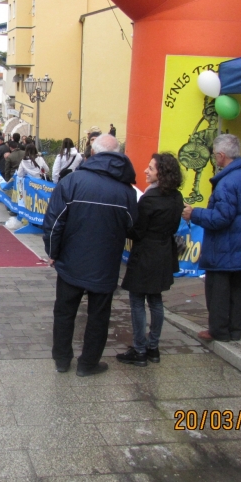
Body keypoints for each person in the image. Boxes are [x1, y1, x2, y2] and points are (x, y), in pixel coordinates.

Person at [42, 134, 137, 376]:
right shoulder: (126, 190)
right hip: (105, 264)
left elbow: (54, 223)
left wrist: (52, 253)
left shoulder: (72, 181)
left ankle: (62, 360)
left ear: (92, 153)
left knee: (64, 312)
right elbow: (132, 225)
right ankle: (88, 363)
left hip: (71, 262)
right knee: (99, 316)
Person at [182, 133, 241, 342]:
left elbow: (220, 218)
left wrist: (195, 213)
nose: (212, 158)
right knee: (237, 290)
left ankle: (219, 330)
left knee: (218, 291)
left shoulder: (227, 183)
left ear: (221, 156)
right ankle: (235, 329)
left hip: (225, 246)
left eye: (213, 155)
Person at [117, 152, 184, 367]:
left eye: (151, 168)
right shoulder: (177, 197)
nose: (146, 171)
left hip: (146, 253)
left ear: (162, 173)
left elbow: (138, 231)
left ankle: (139, 350)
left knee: (137, 301)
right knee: (155, 300)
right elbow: (174, 227)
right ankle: (153, 347)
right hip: (164, 253)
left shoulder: (149, 199)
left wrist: (123, 226)